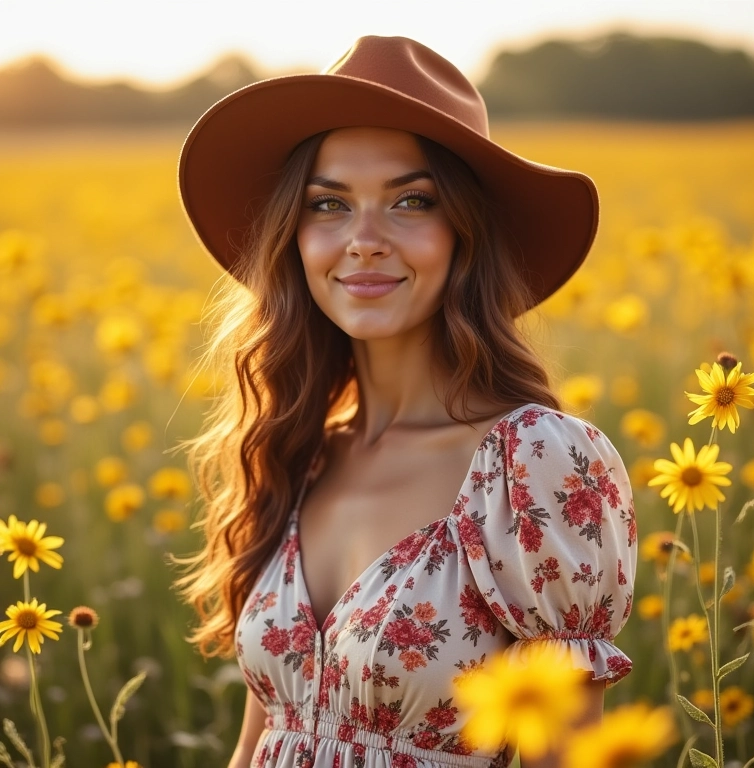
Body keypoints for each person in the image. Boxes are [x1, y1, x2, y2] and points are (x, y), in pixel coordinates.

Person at [176, 35, 636, 768]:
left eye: (411, 201)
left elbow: (569, 755)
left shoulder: (535, 462)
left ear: (467, 234)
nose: (362, 240)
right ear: (293, 239)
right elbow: (255, 746)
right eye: (328, 204)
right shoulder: (299, 451)